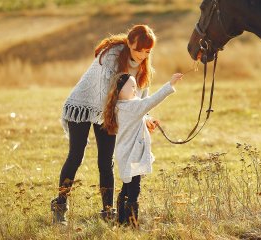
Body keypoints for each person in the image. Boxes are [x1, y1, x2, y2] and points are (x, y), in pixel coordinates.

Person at [51, 24, 161, 225]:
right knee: (76, 156)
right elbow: (105, 95)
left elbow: (139, 101)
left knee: (106, 161)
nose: (142, 55)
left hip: (111, 110)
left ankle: (108, 211)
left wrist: (145, 118)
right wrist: (131, 115)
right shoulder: (112, 55)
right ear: (129, 43)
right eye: (137, 50)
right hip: (84, 105)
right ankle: (60, 204)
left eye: (147, 52)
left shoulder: (145, 68)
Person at [102, 72, 182, 226]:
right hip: (134, 155)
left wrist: (147, 119)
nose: (135, 89)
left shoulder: (118, 106)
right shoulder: (133, 106)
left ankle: (121, 220)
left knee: (127, 186)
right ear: (120, 90)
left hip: (125, 154)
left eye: (135, 86)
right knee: (134, 189)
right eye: (131, 86)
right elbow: (151, 101)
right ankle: (131, 222)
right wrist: (170, 84)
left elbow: (138, 114)